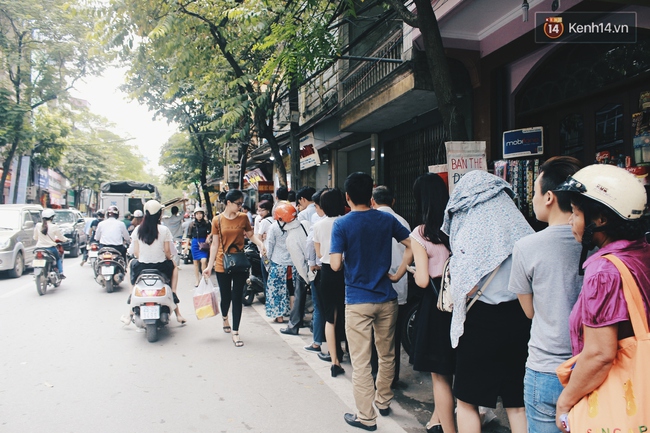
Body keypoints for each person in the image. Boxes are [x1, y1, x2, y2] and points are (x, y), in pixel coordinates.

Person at [553, 164, 649, 433]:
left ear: (601, 220)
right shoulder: (642, 253)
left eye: (575, 212)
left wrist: (565, 402)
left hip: (619, 402)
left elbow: (599, 354)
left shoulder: (604, 271)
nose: (571, 220)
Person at [441, 170, 533, 433]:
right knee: (516, 402)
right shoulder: (522, 232)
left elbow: (466, 287)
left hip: (480, 321)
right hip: (519, 318)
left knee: (468, 400)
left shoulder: (470, 236)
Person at [507, 156, 583, 433]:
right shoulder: (598, 245)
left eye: (535, 192)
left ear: (549, 196)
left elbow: (530, 312)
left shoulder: (526, 247)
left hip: (547, 367)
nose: (534, 199)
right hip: (592, 366)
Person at [330, 172, 411, 431]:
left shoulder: (341, 224)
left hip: (357, 301)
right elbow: (413, 244)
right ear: (372, 195)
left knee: (361, 361)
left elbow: (334, 265)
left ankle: (366, 416)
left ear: (347, 197)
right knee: (387, 354)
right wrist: (398, 274)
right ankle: (384, 401)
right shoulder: (386, 219)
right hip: (387, 298)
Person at [389, 174, 453, 433]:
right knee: (451, 367)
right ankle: (437, 418)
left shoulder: (420, 233)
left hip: (435, 305)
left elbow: (425, 280)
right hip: (459, 303)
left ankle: (447, 428)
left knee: (438, 374)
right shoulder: (456, 227)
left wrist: (415, 270)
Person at [203, 190, 266, 347]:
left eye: (241, 203)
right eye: (238, 203)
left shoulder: (243, 218)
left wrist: (261, 244)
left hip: (239, 262)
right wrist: (209, 267)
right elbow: (215, 244)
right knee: (226, 297)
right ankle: (225, 317)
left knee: (237, 297)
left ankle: (236, 332)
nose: (240, 206)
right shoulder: (217, 220)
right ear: (228, 203)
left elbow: (251, 235)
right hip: (221, 263)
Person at [371, 185, 410, 387]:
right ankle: (391, 377)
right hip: (399, 282)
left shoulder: (369, 220)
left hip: (374, 284)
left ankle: (375, 372)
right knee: (392, 334)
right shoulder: (402, 221)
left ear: (373, 201)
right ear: (393, 201)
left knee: (373, 333)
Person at [125, 200, 186, 324]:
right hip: (161, 267)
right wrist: (170, 259)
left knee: (130, 265)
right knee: (174, 266)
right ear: (159, 214)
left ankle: (131, 293)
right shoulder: (164, 230)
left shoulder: (138, 230)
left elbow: (136, 253)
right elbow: (168, 253)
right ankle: (174, 295)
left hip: (141, 267)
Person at [313, 189, 348, 376]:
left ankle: (334, 361)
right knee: (347, 314)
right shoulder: (346, 222)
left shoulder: (318, 226)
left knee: (330, 317)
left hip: (326, 272)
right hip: (345, 272)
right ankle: (350, 352)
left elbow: (319, 254)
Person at [281, 186, 317, 336]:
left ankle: (295, 324)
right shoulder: (306, 224)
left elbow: (299, 260)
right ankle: (308, 324)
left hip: (306, 268)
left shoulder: (291, 237)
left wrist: (307, 277)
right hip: (317, 263)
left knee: (302, 295)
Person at [304, 188, 327, 355]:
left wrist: (311, 263)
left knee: (319, 307)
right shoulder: (343, 220)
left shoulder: (318, 221)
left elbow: (310, 243)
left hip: (321, 268)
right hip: (339, 269)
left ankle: (317, 342)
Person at [264, 203, 296, 324]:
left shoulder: (274, 227)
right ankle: (294, 316)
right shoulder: (295, 226)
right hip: (292, 264)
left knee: (276, 290)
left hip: (277, 263)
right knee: (292, 290)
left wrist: (267, 263)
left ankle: (279, 316)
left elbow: (269, 246)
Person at [34, 208, 66, 278]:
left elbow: (35, 237)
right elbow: (61, 237)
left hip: (39, 248)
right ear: (52, 217)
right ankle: (61, 273)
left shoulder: (38, 225)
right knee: (58, 258)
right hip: (50, 248)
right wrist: (65, 240)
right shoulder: (54, 226)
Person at [187, 207, 211, 287]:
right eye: (197, 214)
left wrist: (208, 237)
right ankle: (197, 280)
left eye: (200, 213)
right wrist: (187, 246)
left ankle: (204, 278)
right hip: (195, 243)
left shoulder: (207, 223)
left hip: (204, 243)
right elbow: (189, 236)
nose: (199, 215)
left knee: (204, 261)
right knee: (196, 263)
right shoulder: (192, 224)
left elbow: (213, 232)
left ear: (203, 214)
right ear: (195, 215)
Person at [254, 200, 274, 295]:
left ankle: (268, 300)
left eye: (262, 210)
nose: (260, 213)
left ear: (268, 210)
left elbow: (258, 237)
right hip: (274, 254)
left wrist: (262, 237)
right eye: (259, 210)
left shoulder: (264, 222)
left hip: (265, 254)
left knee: (266, 277)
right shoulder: (275, 219)